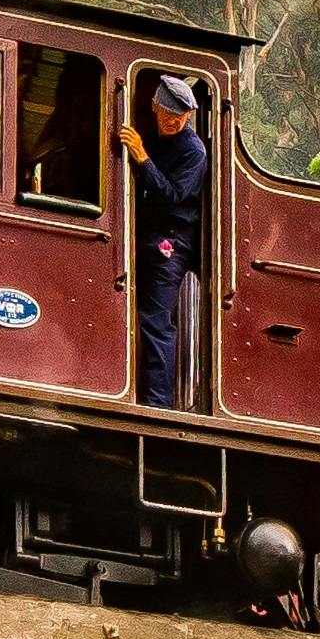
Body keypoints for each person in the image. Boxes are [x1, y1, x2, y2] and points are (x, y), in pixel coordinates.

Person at [131, 71, 211, 407]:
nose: (172, 123)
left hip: (173, 242)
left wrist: (143, 160)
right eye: (166, 115)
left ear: (189, 116)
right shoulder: (151, 135)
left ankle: (156, 405)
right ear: (154, 107)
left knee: (157, 320)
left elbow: (173, 197)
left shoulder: (194, 152)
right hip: (150, 232)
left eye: (178, 118)